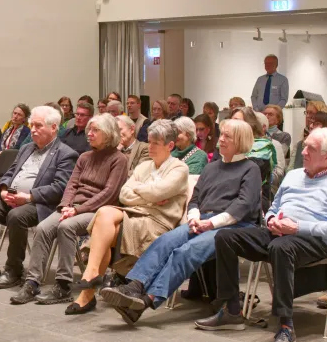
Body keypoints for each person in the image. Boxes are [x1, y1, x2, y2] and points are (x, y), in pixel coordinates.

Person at [196, 127, 327, 342]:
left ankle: (286, 326)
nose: (304, 151)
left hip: (314, 240)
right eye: (305, 144)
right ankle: (231, 309)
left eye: (311, 148)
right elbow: (274, 207)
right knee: (226, 236)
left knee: (281, 247)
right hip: (279, 232)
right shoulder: (294, 175)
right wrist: (271, 220)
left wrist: (296, 228)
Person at [99, 119, 261, 325]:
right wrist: (194, 217)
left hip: (236, 226)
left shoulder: (250, 168)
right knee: (165, 241)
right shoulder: (212, 168)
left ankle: (146, 300)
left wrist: (209, 224)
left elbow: (243, 207)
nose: (220, 139)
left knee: (186, 251)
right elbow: (195, 199)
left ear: (240, 140)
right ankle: (135, 286)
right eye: (222, 134)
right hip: (204, 220)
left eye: (227, 136)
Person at [68, 119, 189, 314]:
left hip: (158, 222)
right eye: (149, 141)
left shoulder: (179, 169)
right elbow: (124, 194)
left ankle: (88, 291)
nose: (150, 147)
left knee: (103, 222)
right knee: (105, 213)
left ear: (170, 146)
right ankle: (90, 278)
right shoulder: (144, 167)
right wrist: (149, 195)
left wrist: (140, 191)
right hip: (133, 214)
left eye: (155, 143)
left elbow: (157, 193)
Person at [10, 113, 128, 306]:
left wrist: (77, 210)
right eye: (89, 129)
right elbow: (71, 185)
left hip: (98, 210)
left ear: (108, 133)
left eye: (95, 130)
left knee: (66, 228)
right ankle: (32, 282)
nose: (89, 133)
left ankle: (63, 285)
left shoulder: (118, 159)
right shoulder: (84, 156)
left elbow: (109, 193)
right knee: (43, 228)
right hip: (72, 208)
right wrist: (65, 206)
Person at [0, 106, 78, 287]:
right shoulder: (26, 148)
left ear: (54, 127)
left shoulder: (66, 153)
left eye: (38, 126)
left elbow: (60, 187)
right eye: (32, 125)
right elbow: (9, 174)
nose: (33, 130)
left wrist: (29, 197)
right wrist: (3, 190)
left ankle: (14, 270)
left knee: (16, 216)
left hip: (39, 204)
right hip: (11, 199)